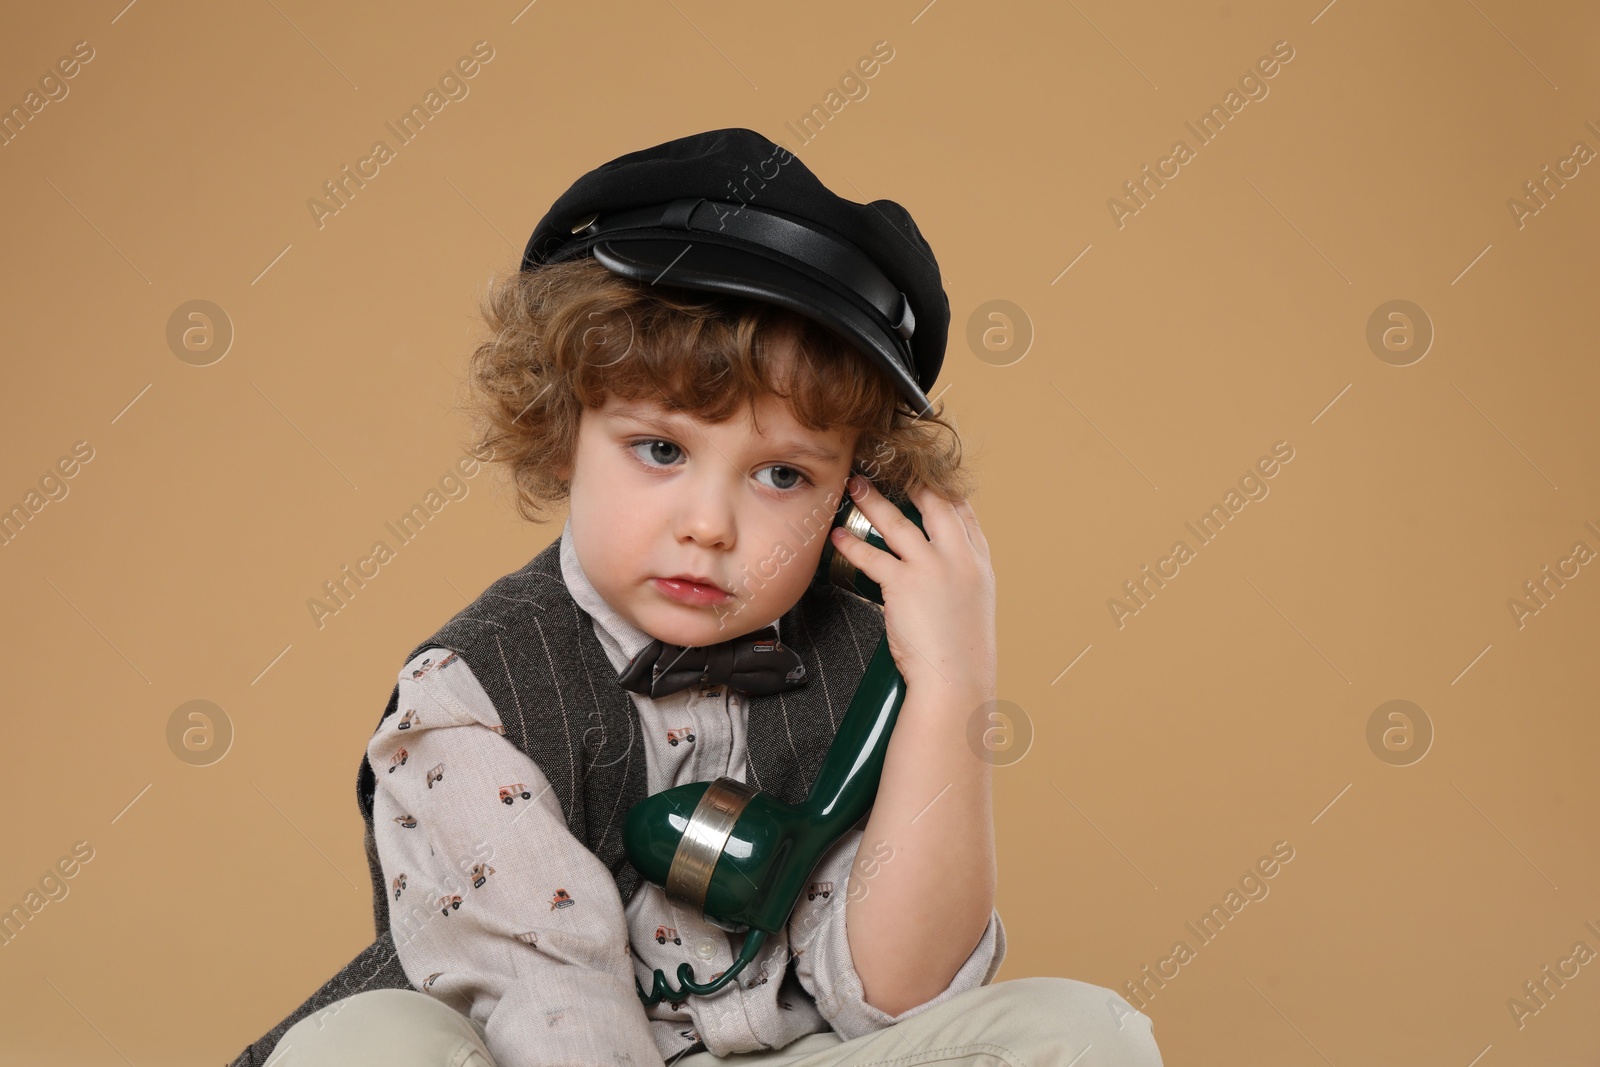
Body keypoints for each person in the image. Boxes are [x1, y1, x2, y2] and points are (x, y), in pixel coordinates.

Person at [237, 127, 1163, 1067]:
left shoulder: (851, 664)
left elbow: (898, 1000)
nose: (710, 525)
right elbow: (553, 999)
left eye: (782, 476)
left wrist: (951, 686)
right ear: (565, 432)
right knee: (366, 1045)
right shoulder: (475, 697)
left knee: (1082, 1034)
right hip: (543, 1055)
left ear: (860, 499)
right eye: (663, 450)